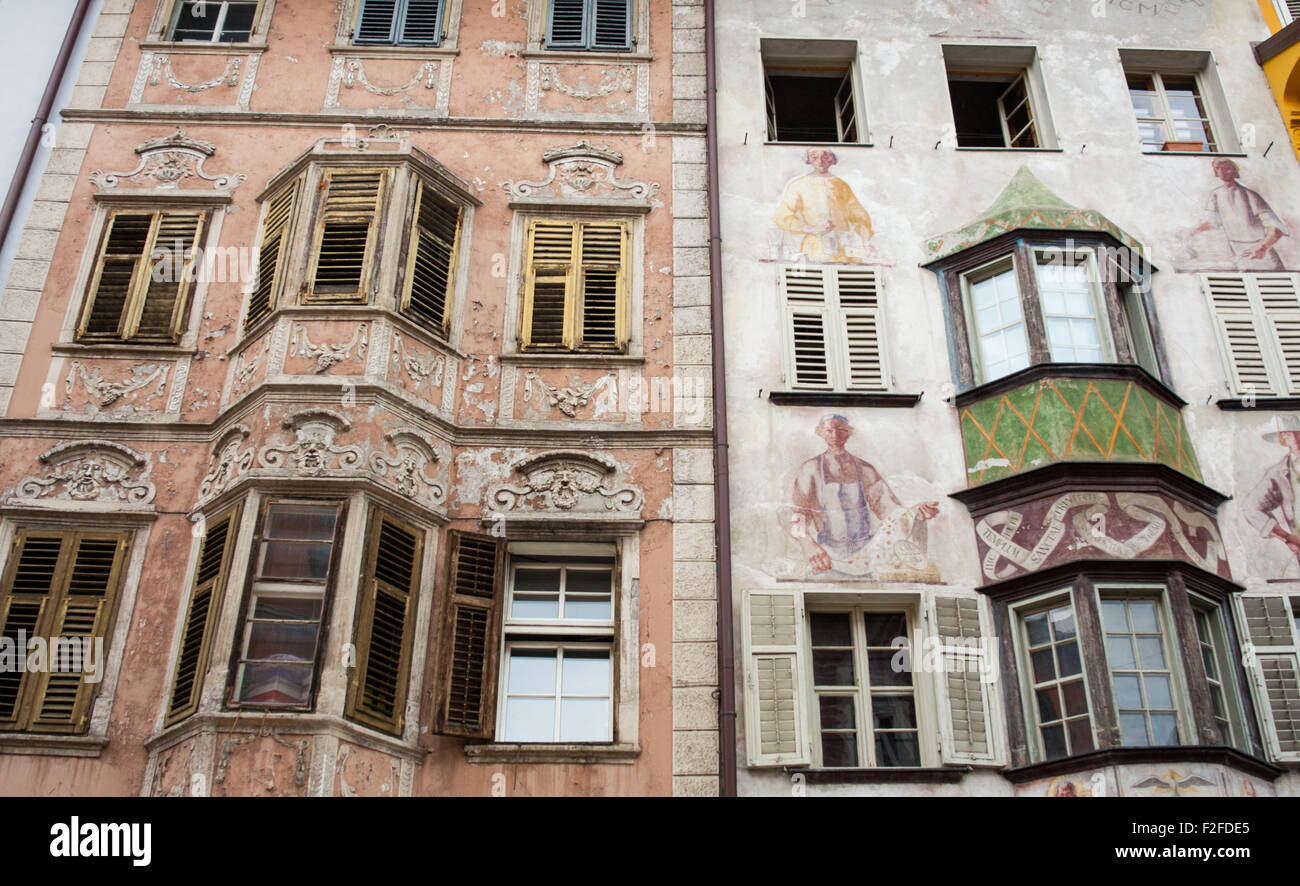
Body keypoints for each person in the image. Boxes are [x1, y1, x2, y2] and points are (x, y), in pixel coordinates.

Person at [791, 414, 938, 576]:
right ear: (821, 433)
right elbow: (799, 513)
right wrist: (807, 544)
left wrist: (914, 512)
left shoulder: (865, 469)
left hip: (866, 555)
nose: (835, 435)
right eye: (829, 430)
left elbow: (888, 508)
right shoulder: (810, 469)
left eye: (840, 430)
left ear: (848, 433)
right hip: (826, 555)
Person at [773, 149, 874, 263]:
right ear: (809, 160)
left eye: (825, 156)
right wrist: (811, 229)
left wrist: (866, 241)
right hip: (816, 249)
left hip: (845, 249)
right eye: (814, 157)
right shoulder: (798, 185)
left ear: (832, 159)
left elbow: (859, 214)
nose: (820, 161)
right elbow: (782, 217)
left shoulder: (841, 185)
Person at [1194, 158, 1288, 271]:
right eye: (1218, 168)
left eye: (1226, 168)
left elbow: (1276, 228)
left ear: (1234, 170)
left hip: (1259, 251)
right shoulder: (1216, 194)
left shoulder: (1250, 195)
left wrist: (1262, 246)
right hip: (1236, 251)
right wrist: (1189, 232)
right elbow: (1212, 222)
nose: (1222, 171)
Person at [1244, 416, 1300, 571]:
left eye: (1298, 433)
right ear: (1282, 439)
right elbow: (1250, 507)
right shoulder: (1278, 473)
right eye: (1288, 434)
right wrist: (1286, 536)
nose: (1294, 438)